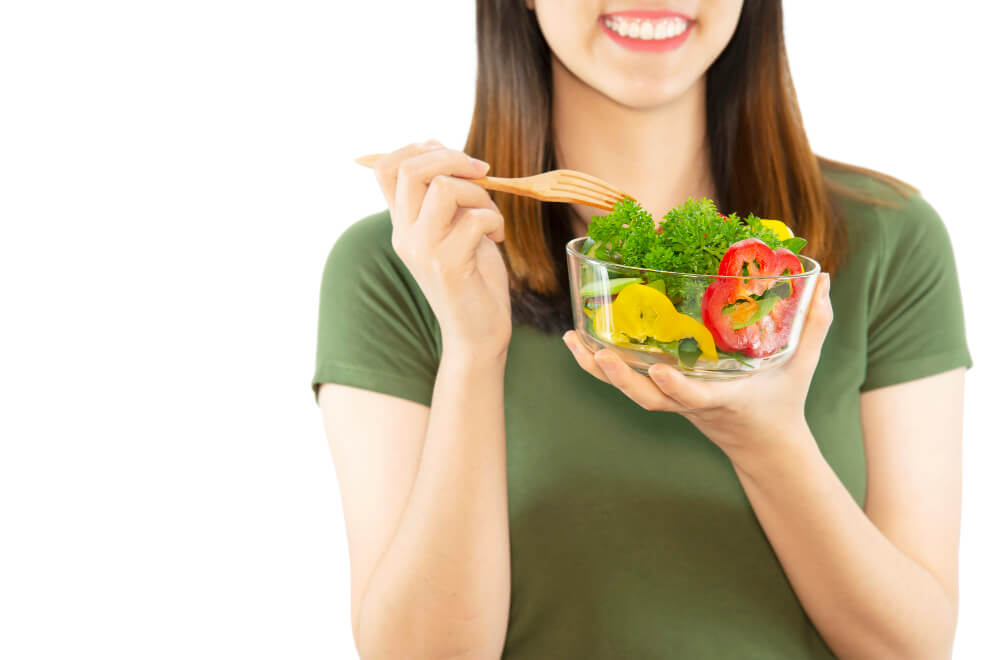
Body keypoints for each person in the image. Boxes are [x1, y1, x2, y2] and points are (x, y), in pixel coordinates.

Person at [313, 1, 972, 658]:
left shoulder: (890, 237)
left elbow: (910, 649)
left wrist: (768, 445)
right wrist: (472, 352)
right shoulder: (403, 264)